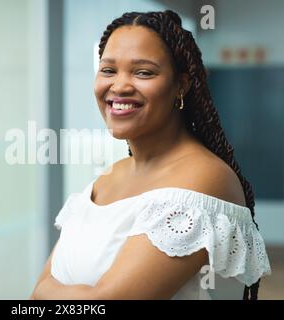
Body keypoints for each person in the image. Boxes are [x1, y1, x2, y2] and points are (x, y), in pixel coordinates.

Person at [30, 10, 271, 300]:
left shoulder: (204, 178)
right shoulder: (109, 177)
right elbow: (36, 293)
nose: (119, 86)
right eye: (108, 70)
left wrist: (50, 292)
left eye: (144, 72)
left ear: (181, 85)